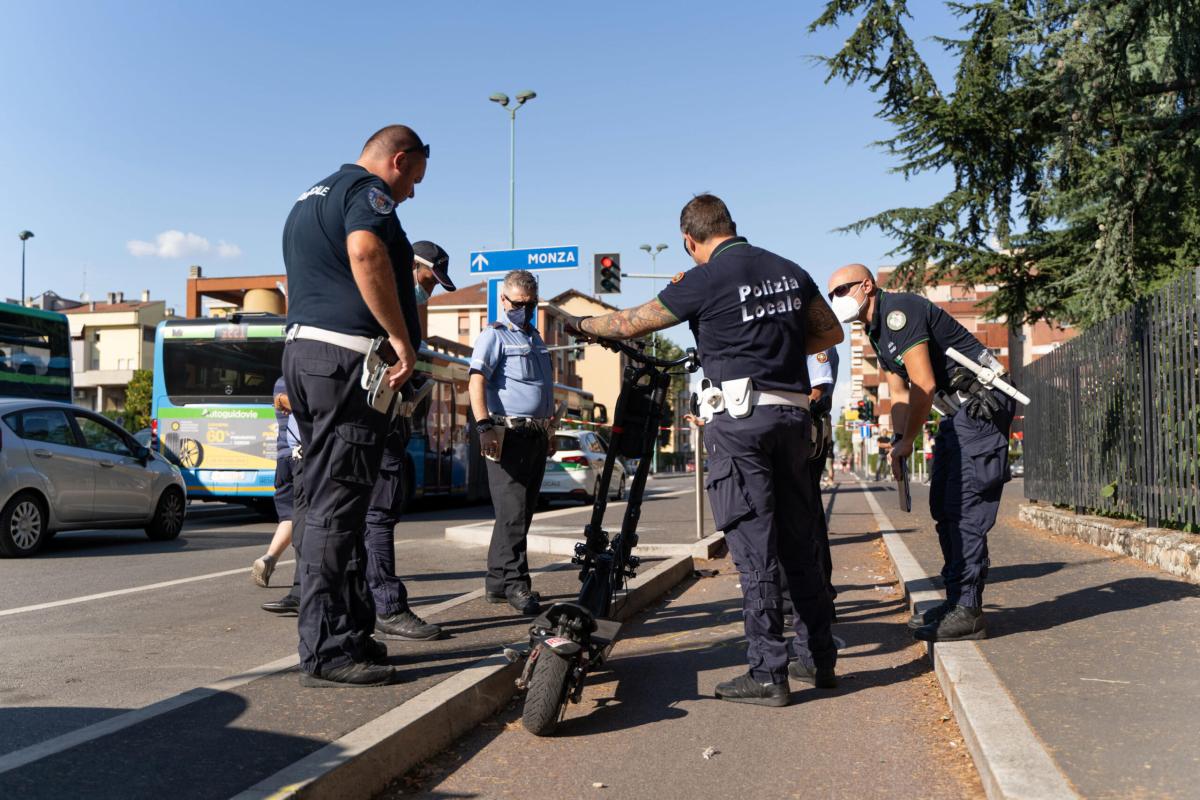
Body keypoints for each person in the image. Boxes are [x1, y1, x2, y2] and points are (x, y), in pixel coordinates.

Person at [569, 194, 844, 707]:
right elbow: (830, 332)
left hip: (740, 423)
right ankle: (818, 658)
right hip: (791, 417)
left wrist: (583, 325)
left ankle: (768, 673)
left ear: (690, 240)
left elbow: (632, 322)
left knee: (754, 546)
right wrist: (777, 347)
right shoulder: (790, 269)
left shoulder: (704, 278)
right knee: (799, 542)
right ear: (731, 226)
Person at [280, 124, 427, 687]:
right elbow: (365, 251)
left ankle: (351, 631)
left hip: (308, 355)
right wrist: (401, 340)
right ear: (397, 159)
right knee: (338, 508)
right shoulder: (369, 196)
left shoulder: (308, 197)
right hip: (345, 363)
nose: (411, 193)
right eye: (413, 178)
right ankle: (327, 650)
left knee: (330, 499)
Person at [826, 263, 1016, 642]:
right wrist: (899, 440)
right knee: (944, 507)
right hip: (957, 413)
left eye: (843, 290)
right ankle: (956, 602)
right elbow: (898, 394)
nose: (837, 300)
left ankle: (968, 608)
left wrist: (908, 439)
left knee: (965, 507)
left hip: (980, 406)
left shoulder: (900, 313)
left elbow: (923, 385)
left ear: (867, 285)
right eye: (832, 295)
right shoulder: (877, 332)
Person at [364, 240, 455, 641]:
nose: (430, 289)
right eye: (428, 279)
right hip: (378, 415)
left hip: (366, 416)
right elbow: (395, 356)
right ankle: (387, 606)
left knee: (350, 514)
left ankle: (353, 607)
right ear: (412, 266)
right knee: (380, 512)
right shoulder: (391, 300)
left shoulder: (378, 290)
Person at [469, 269, 556, 616]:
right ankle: (517, 585)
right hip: (506, 434)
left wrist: (548, 431)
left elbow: (542, 391)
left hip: (534, 434)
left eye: (531, 304)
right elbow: (475, 382)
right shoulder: (494, 336)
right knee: (513, 513)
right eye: (519, 304)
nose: (525, 309)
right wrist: (483, 426)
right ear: (503, 301)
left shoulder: (536, 337)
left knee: (518, 512)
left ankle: (496, 582)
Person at [251, 378, 302, 587]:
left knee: (289, 515)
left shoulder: (280, 382)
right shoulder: (303, 382)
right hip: (301, 456)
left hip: (282, 457)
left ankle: (269, 558)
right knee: (305, 514)